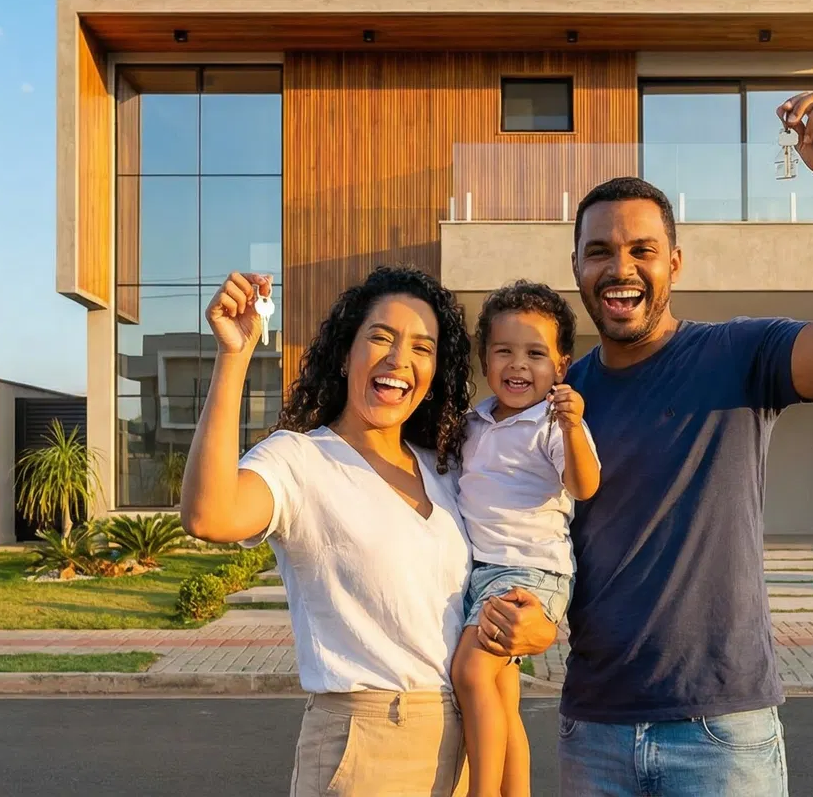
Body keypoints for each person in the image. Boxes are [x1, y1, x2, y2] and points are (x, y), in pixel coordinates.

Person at [557, 92, 813, 795]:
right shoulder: (558, 397)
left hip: (722, 730)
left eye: (643, 250)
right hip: (593, 726)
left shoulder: (739, 356)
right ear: (575, 266)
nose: (620, 267)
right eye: (599, 251)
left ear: (676, 264)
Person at [181, 265, 559, 797]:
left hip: (470, 749)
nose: (398, 359)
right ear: (344, 355)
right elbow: (210, 515)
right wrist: (234, 356)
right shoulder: (300, 459)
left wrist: (537, 630)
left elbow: (509, 569)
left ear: (434, 375)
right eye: (381, 337)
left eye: (422, 348)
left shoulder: (448, 468)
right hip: (370, 749)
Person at [449, 280, 601, 797]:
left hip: (530, 570)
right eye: (504, 352)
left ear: (560, 367)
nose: (518, 365)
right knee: (500, 693)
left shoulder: (554, 424)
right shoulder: (475, 422)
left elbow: (584, 485)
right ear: (485, 360)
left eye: (535, 354)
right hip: (484, 571)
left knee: (471, 673)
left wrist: (575, 427)